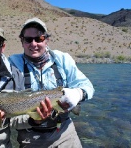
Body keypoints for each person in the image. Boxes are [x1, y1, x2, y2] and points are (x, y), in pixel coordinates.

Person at [9, 17, 95, 148]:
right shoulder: (12, 64)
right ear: (22, 41)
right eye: (28, 39)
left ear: (47, 40)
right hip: (30, 137)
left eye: (39, 39)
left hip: (64, 133)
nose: (33, 44)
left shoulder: (62, 59)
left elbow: (87, 87)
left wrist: (77, 93)